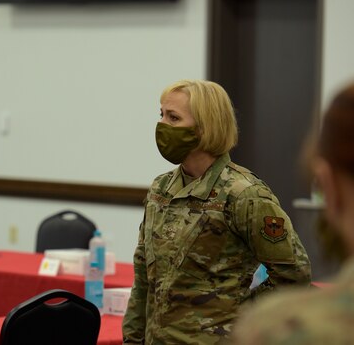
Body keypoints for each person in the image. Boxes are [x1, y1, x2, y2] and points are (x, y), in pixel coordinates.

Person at [122, 79, 311, 344]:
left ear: (204, 128)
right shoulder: (161, 189)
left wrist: (239, 315)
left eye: (174, 118)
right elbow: (143, 275)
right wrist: (132, 339)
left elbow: (295, 277)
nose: (162, 125)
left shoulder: (244, 194)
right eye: (161, 115)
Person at [228, 81, 354, 344]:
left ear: (327, 186)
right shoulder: (163, 187)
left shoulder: (281, 330)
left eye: (174, 117)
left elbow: (291, 269)